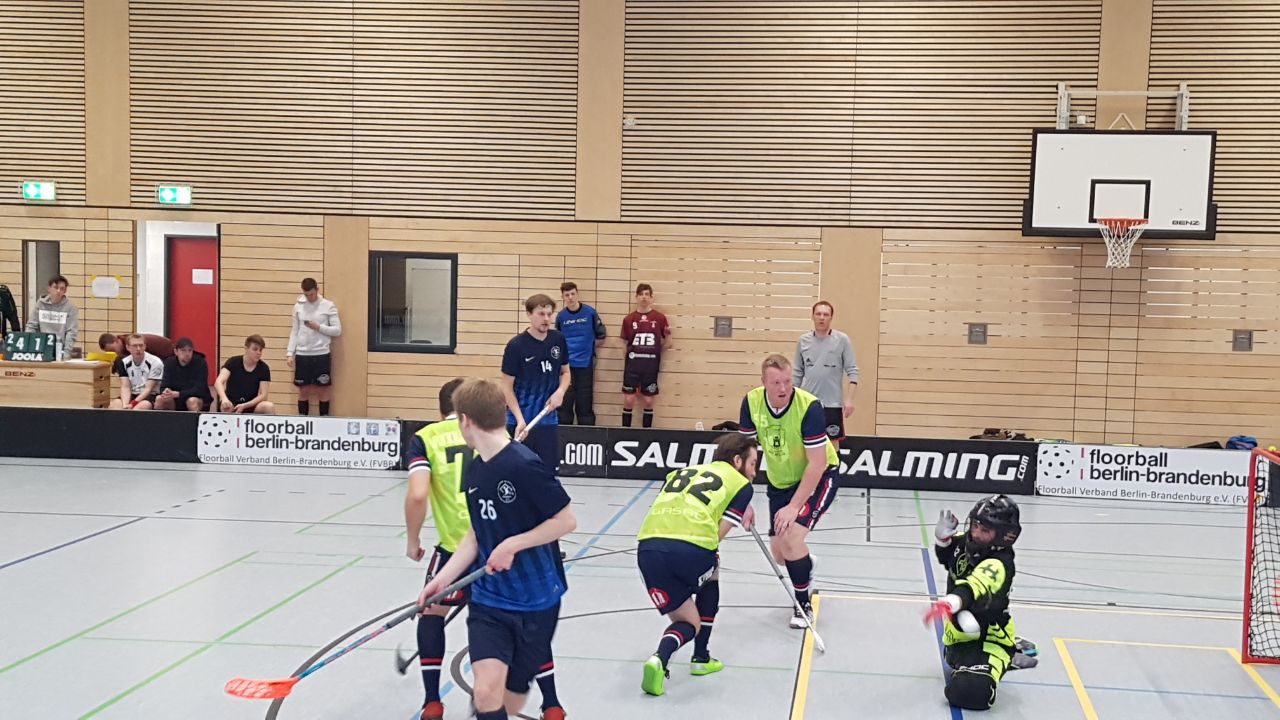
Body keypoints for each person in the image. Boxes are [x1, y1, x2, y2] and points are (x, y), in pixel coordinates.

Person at [418, 378, 577, 720]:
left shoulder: (524, 465)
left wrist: (513, 544)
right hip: (489, 602)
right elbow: (476, 535)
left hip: (537, 602)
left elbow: (566, 521)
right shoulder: (477, 470)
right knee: (485, 692)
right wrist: (442, 580)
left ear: (464, 420)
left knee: (511, 701)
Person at [636, 433, 757, 697]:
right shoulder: (742, 484)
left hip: (648, 549)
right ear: (737, 461)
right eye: (752, 464)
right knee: (713, 570)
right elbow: (717, 534)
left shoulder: (682, 472)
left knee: (686, 620)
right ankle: (700, 657)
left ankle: (660, 659)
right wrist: (742, 502)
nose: (754, 472)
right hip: (690, 549)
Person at [738, 353, 839, 628]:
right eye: (776, 383)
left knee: (792, 537)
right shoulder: (751, 402)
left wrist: (794, 507)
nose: (783, 388)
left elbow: (817, 463)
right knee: (781, 555)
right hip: (780, 481)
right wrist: (741, 501)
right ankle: (805, 564)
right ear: (763, 382)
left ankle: (802, 604)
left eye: (787, 381)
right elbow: (746, 456)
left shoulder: (809, 407)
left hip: (818, 477)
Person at [923, 495, 1034, 711]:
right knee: (959, 664)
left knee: (970, 693)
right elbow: (949, 557)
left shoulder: (1000, 563)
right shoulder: (968, 543)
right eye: (975, 525)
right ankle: (998, 657)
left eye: (985, 530)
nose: (975, 533)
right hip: (958, 637)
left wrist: (951, 602)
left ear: (1003, 536)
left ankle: (1005, 654)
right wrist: (942, 540)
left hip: (989, 640)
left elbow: (974, 586)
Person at [405, 378, 470, 720]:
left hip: (452, 550)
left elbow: (418, 494)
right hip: (496, 547)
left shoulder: (425, 437)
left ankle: (432, 701)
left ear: (441, 408)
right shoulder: (491, 432)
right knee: (492, 622)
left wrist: (413, 541)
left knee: (430, 615)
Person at [500, 294, 570, 469]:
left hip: (547, 421)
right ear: (529, 314)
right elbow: (506, 387)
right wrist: (519, 419)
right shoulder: (516, 346)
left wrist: (560, 392)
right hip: (519, 422)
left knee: (548, 472)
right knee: (517, 473)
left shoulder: (558, 339)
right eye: (541, 314)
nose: (546, 319)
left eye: (549, 314)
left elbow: (566, 372)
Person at [793, 300, 859, 442]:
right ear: (812, 316)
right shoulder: (803, 341)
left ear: (831, 317)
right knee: (808, 442)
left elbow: (853, 371)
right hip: (808, 403)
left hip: (832, 404)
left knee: (833, 444)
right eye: (818, 314)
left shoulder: (842, 340)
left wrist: (849, 400)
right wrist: (790, 400)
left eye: (825, 314)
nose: (821, 318)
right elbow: (797, 373)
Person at [287, 277, 341, 416]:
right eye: (306, 295)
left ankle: (324, 419)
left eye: (312, 294)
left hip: (321, 354)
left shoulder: (328, 305)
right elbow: (295, 331)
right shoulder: (298, 306)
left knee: (323, 390)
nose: (310, 297)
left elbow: (337, 330)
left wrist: (319, 327)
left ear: (317, 289)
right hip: (302, 354)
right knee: (303, 390)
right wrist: (290, 353)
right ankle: (302, 420)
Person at [554, 282, 605, 426]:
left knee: (585, 402)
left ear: (577, 294)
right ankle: (564, 434)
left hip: (585, 364)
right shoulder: (561, 316)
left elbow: (601, 337)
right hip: (566, 367)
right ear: (563, 297)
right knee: (565, 402)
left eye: (572, 294)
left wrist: (587, 348)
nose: (570, 297)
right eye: (567, 295)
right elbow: (557, 339)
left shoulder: (590, 313)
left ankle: (587, 433)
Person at [620, 283, 671, 428]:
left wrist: (666, 340)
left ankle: (646, 434)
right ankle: (625, 432)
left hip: (650, 367)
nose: (644, 297)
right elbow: (624, 343)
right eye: (641, 294)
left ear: (651, 298)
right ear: (636, 297)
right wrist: (630, 358)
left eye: (647, 294)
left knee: (648, 401)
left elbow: (667, 344)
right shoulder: (629, 319)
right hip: (632, 367)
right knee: (629, 400)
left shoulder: (659, 318)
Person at [214, 335, 275, 414]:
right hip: (231, 403)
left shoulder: (264, 368)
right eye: (255, 349)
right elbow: (218, 382)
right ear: (246, 349)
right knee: (225, 408)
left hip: (250, 404)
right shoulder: (233, 362)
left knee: (269, 406)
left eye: (260, 350)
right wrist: (224, 399)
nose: (258, 353)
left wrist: (245, 405)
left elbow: (263, 395)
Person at [24, 275, 78, 359]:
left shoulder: (71, 308)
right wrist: (28, 347)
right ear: (49, 288)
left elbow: (71, 332)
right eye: (55, 287)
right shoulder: (40, 304)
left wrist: (66, 352)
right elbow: (31, 326)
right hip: (40, 348)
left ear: (65, 291)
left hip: (59, 349)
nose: (58, 291)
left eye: (62, 288)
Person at [153, 337, 212, 412]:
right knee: (160, 399)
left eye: (190, 350)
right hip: (175, 398)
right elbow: (163, 386)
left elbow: (200, 389)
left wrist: (179, 394)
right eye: (183, 350)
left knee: (192, 402)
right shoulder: (169, 362)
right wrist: (167, 391)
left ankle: (193, 419)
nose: (187, 354)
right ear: (176, 351)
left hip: (195, 397)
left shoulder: (200, 362)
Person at [109, 334, 163, 410]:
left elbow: (148, 388)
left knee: (140, 408)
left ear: (145, 346)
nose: (138, 349)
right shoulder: (123, 362)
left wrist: (133, 404)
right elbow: (125, 386)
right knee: (115, 405)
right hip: (132, 393)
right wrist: (125, 405)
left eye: (141, 345)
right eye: (134, 346)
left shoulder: (155, 362)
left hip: (149, 395)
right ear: (128, 347)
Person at [98, 332, 174, 361]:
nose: (114, 353)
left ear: (117, 341)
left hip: (168, 354)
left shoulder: (131, 343)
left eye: (112, 350)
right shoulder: (125, 343)